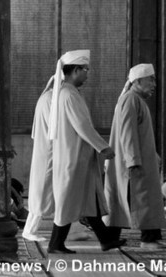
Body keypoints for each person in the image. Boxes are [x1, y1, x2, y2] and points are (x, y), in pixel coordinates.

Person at [46, 50, 125, 254]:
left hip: (79, 156)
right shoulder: (68, 94)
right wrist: (103, 146)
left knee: (88, 201)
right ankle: (55, 243)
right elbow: (82, 126)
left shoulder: (69, 93)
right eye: (85, 70)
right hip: (73, 157)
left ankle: (106, 239)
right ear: (75, 71)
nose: (87, 74)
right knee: (68, 201)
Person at [104, 63, 166, 250]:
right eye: (151, 80)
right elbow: (127, 132)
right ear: (138, 81)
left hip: (142, 160)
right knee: (140, 199)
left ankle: (112, 238)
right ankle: (147, 240)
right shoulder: (130, 99)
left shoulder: (136, 100)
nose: (154, 84)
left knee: (129, 199)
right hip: (133, 162)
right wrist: (132, 160)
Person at [22, 76, 54, 242]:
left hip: (48, 150)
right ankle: (30, 229)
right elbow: (56, 126)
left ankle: (73, 230)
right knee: (42, 191)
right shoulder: (50, 99)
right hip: (49, 151)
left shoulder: (47, 97)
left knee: (62, 191)